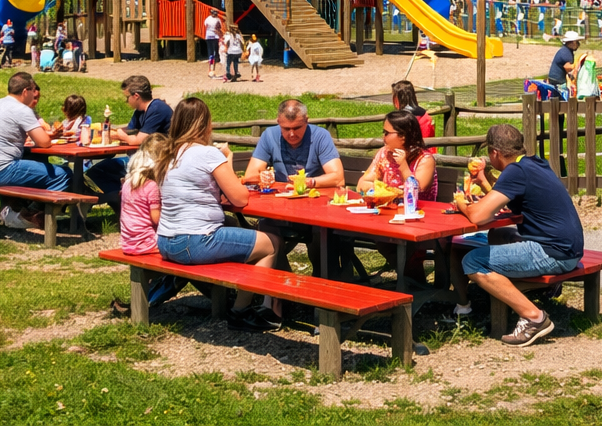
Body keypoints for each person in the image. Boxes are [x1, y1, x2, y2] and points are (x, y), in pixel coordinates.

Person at [153, 97, 281, 332]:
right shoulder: (208, 154)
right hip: (195, 241)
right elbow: (240, 197)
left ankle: (247, 299)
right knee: (270, 242)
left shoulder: (167, 154)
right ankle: (241, 310)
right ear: (204, 124)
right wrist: (227, 161)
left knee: (236, 228)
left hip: (166, 241)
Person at [453, 124, 584, 346]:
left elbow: (477, 216)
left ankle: (534, 317)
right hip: (569, 247)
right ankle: (539, 289)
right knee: (498, 234)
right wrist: (485, 182)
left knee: (473, 261)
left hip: (553, 253)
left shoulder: (516, 171)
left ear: (495, 153)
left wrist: (461, 204)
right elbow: (510, 195)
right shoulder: (533, 163)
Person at [242, 99, 345, 291]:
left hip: (316, 208)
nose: (291, 134)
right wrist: (268, 178)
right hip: (282, 208)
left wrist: (310, 182)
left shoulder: (320, 136)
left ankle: (323, 285)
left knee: (323, 233)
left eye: (297, 128)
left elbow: (338, 178)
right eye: (285, 128)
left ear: (307, 120)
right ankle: (282, 285)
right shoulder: (270, 135)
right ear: (278, 122)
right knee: (265, 228)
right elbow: (250, 175)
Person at [0, 72, 65, 230]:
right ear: (26, 91)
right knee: (63, 175)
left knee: (42, 168)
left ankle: (22, 213)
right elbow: (44, 142)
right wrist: (47, 137)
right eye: (33, 90)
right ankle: (31, 215)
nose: (35, 94)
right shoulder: (21, 109)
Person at [357, 110, 435, 284]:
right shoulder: (384, 154)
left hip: (420, 220)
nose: (383, 137)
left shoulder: (425, 159)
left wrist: (404, 166)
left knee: (394, 244)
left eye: (387, 133)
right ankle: (409, 283)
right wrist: (379, 189)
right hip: (389, 217)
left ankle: (413, 284)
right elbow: (363, 182)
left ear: (403, 136)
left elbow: (418, 188)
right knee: (381, 241)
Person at [109, 135, 182, 317]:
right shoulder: (151, 187)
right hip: (146, 243)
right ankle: (150, 299)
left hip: (128, 242)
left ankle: (144, 298)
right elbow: (156, 219)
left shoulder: (127, 184)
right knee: (181, 249)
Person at [86, 75, 174, 218]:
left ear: (136, 96)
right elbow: (130, 130)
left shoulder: (157, 109)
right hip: (142, 158)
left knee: (101, 170)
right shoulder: (140, 111)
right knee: (97, 171)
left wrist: (121, 136)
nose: (126, 101)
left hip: (157, 161)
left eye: (127, 97)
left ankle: (123, 201)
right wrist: (111, 132)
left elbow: (137, 140)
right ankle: (121, 201)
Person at [203, 10, 222, 78]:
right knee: (214, 52)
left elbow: (205, 25)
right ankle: (212, 67)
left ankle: (211, 67)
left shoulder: (207, 19)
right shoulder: (218, 20)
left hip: (209, 36)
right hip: (215, 36)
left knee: (211, 52)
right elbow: (219, 27)